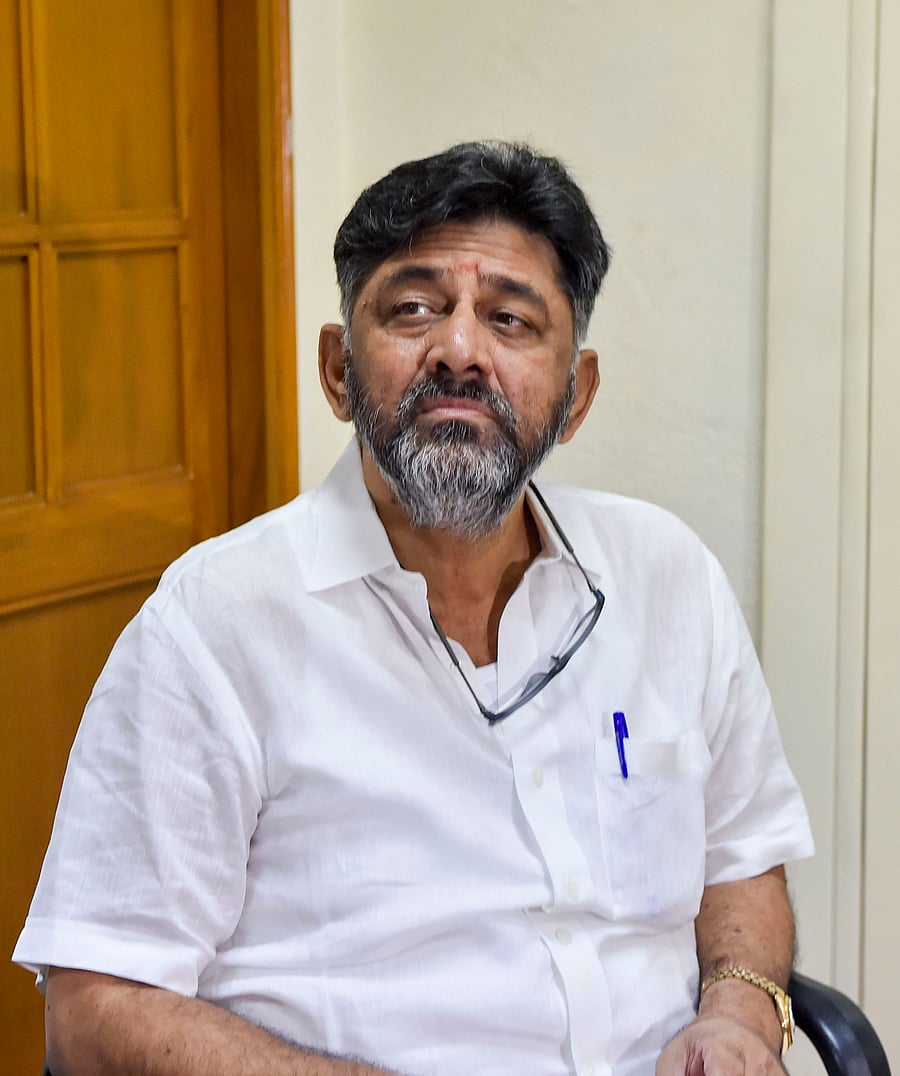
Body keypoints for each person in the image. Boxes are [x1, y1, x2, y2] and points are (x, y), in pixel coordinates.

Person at [14, 141, 813, 1076]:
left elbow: (744, 855)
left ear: (577, 394)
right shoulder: (213, 623)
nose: (460, 350)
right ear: (340, 371)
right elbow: (97, 1006)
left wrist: (740, 1017)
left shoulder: (667, 575)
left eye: (511, 319)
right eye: (413, 309)